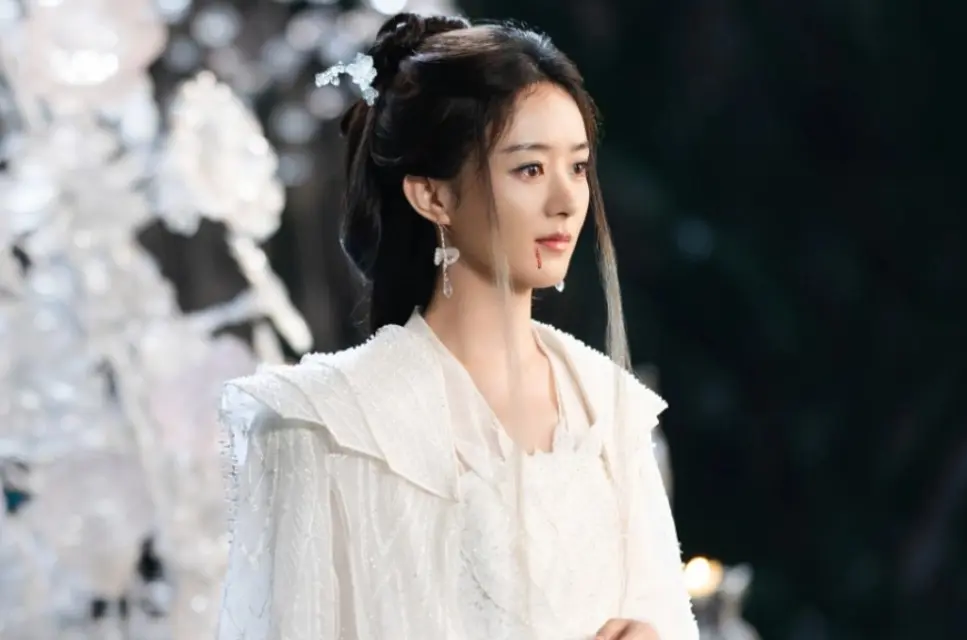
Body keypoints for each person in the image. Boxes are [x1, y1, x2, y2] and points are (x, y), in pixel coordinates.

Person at [216, 12, 698, 640]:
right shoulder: (324, 426)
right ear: (433, 195)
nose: (565, 201)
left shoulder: (607, 410)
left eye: (578, 167)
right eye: (530, 169)